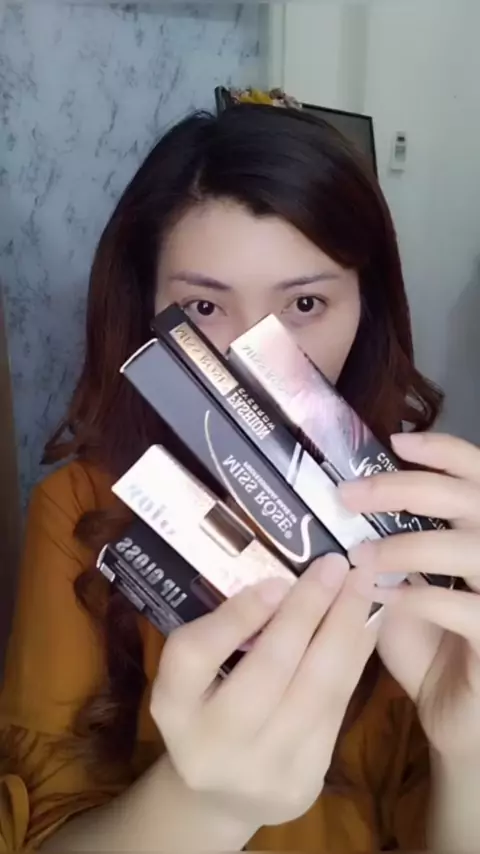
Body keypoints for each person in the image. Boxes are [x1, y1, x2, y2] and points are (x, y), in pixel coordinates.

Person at [1, 104, 479, 853]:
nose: (251, 357)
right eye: (203, 306)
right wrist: (202, 808)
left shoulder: (434, 529)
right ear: (146, 308)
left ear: (368, 308)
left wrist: (468, 751)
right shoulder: (81, 508)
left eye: (306, 303)